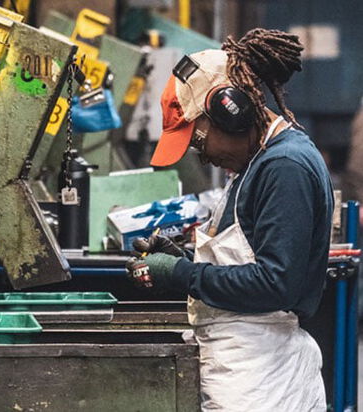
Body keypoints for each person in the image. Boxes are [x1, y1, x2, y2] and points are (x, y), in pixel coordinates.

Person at [127, 29, 333, 411]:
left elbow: (276, 284)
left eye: (198, 142)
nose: (202, 156)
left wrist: (180, 274)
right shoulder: (258, 163)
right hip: (247, 368)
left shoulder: (283, 167)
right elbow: (249, 259)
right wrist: (184, 258)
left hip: (261, 382)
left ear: (231, 111)